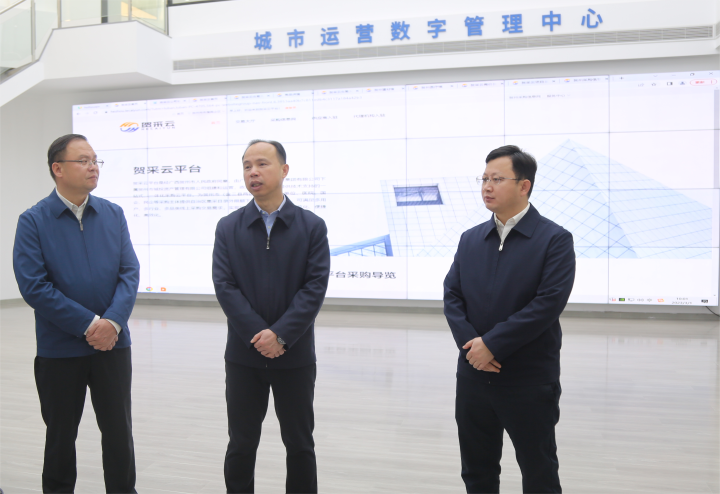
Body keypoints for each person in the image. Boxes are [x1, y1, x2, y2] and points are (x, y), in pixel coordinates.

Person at [444, 145, 576, 494]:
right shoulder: (471, 239)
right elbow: (452, 295)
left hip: (527, 378)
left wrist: (492, 344)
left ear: (524, 186)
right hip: (473, 375)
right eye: (484, 179)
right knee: (477, 472)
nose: (487, 186)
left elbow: (547, 304)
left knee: (538, 471)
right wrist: (473, 347)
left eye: (497, 179)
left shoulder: (554, 239)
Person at [13, 134, 140, 494]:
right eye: (83, 160)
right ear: (58, 169)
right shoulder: (33, 220)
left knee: (118, 432)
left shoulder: (112, 214)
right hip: (60, 349)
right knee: (60, 435)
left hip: (113, 345)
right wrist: (89, 324)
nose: (93, 167)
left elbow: (129, 272)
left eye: (95, 160)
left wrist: (112, 323)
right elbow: (34, 286)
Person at [212, 139, 330, 494]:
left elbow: (314, 288)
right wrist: (258, 335)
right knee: (241, 442)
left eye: (262, 164)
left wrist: (280, 335)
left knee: (299, 443)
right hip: (243, 355)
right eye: (247, 166)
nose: (253, 172)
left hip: (294, 355)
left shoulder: (311, 226)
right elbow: (225, 286)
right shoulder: (228, 226)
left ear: (284, 170)